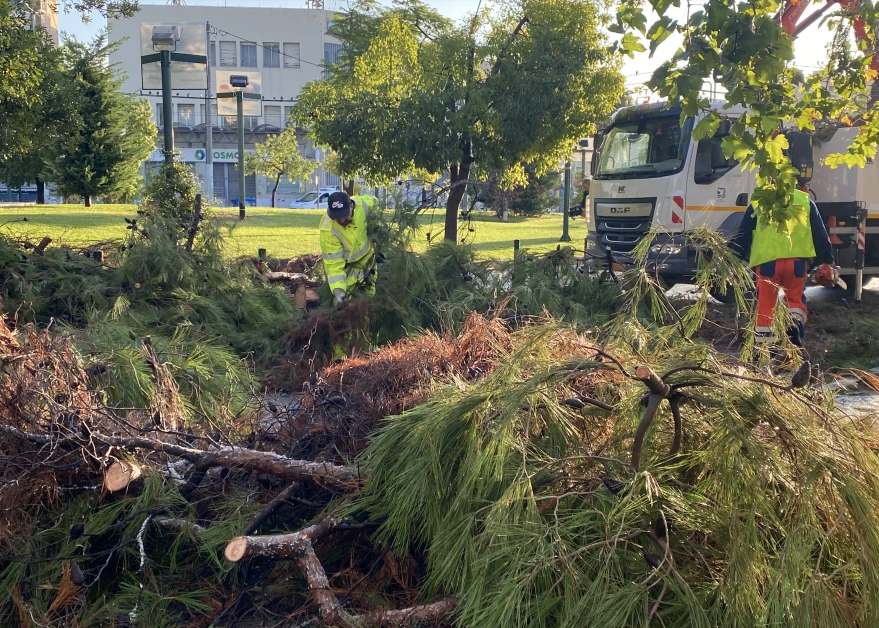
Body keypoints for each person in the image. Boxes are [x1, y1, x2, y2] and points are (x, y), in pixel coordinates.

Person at [730, 186, 836, 348]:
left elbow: (742, 235)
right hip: (797, 263)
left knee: (765, 305)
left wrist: (735, 259)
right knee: (795, 301)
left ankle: (766, 348)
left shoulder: (759, 203)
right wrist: (827, 261)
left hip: (767, 264)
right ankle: (794, 326)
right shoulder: (805, 202)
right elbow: (820, 235)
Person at [319, 191, 378, 307]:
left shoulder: (363, 205)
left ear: (351, 206)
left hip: (368, 258)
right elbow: (333, 266)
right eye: (337, 217)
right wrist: (339, 294)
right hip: (348, 267)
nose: (341, 220)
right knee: (350, 302)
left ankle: (367, 321)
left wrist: (376, 232)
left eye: (344, 215)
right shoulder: (328, 230)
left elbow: (375, 202)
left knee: (369, 297)